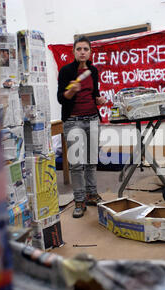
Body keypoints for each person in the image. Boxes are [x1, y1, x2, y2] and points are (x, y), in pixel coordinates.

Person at [57, 36, 107, 218]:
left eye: (86, 49)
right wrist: (71, 90)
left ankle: (92, 194)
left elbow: (95, 93)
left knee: (91, 161)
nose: (82, 52)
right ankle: (79, 200)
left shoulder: (93, 71)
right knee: (76, 165)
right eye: (79, 49)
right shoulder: (66, 71)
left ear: (90, 51)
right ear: (73, 52)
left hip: (93, 118)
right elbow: (61, 98)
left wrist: (99, 100)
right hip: (73, 121)